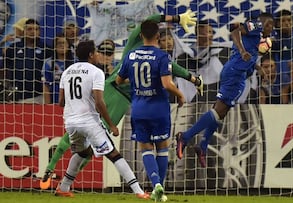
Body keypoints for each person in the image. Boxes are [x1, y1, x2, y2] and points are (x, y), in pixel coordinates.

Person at [40, 10, 200, 197]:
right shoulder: (136, 46)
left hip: (125, 102)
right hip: (114, 94)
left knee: (88, 150)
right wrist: (177, 18)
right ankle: (52, 169)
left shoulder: (157, 56)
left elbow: (173, 68)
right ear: (155, 35)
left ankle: (64, 184)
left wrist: (192, 78)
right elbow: (150, 22)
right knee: (113, 147)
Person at [175, 13, 274, 167]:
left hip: (239, 75)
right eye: (269, 24)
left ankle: (202, 145)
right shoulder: (256, 26)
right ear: (263, 22)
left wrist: (258, 67)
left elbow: (247, 54)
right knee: (217, 112)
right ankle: (185, 137)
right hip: (234, 73)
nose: (271, 28)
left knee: (219, 114)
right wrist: (242, 51)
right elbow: (235, 33)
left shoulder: (256, 37)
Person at [54, 40, 148, 199]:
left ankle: (63, 187)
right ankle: (139, 191)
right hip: (89, 122)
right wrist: (111, 125)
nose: (98, 54)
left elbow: (61, 102)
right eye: (96, 52)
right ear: (91, 55)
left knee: (83, 153)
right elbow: (99, 102)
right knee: (114, 154)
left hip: (70, 122)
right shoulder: (95, 72)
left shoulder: (67, 71)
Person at [116, 19, 185, 202]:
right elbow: (167, 84)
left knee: (145, 148)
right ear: (158, 36)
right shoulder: (162, 57)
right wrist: (180, 95)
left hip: (138, 109)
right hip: (159, 109)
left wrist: (136, 82)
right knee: (162, 148)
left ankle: (156, 185)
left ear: (140, 36)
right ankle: (159, 188)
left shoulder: (130, 55)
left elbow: (118, 81)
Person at [4, 18, 51, 103]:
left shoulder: (46, 49)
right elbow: (5, 68)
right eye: (29, 29)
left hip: (40, 96)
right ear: (24, 31)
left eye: (36, 29)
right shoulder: (13, 48)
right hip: (18, 97)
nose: (33, 32)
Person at [42, 34, 74, 104]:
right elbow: (46, 85)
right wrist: (47, 104)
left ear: (68, 46)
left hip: (73, 101)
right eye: (59, 43)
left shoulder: (75, 63)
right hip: (55, 100)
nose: (62, 45)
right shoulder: (48, 63)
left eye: (64, 43)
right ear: (55, 46)